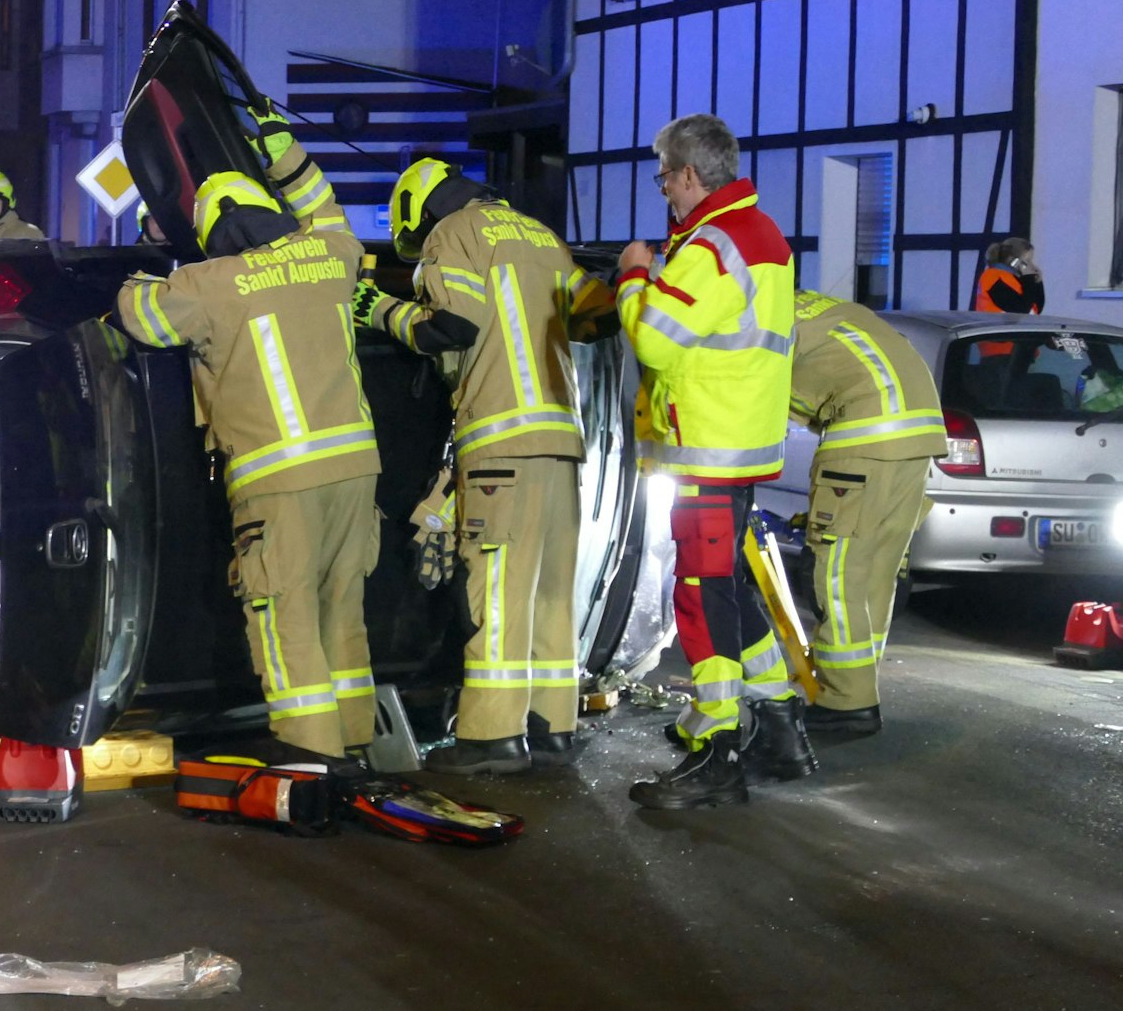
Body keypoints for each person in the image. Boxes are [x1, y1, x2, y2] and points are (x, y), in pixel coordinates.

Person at [112, 105, 378, 758]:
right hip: (355, 475)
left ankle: (312, 763)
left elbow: (139, 315)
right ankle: (356, 749)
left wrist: (134, 274)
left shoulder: (206, 284)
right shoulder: (330, 256)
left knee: (286, 628)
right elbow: (326, 210)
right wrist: (287, 156)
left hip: (277, 483)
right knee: (342, 616)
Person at [358, 157, 617, 776]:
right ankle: (549, 727)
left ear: (421, 211)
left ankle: (492, 737)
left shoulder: (455, 234)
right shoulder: (541, 235)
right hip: (562, 442)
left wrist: (375, 309)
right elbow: (596, 316)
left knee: (495, 593)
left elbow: (450, 326)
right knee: (550, 593)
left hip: (501, 443)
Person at [615, 113, 810, 810]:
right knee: (724, 585)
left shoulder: (714, 244)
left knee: (700, 593)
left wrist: (634, 276)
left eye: (665, 175)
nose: (663, 187)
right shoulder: (758, 236)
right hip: (737, 444)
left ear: (690, 175)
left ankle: (717, 753)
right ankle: (779, 722)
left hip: (705, 447)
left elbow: (656, 341)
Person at [786, 290, 944, 734]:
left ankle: (844, 704)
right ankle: (860, 690)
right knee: (875, 571)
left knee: (835, 573)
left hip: (865, 437)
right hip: (917, 438)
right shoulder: (810, 305)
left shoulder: (751, 324)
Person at [974, 237, 1044, 316]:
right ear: (1013, 261)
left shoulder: (1017, 277)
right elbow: (1021, 308)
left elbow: (1036, 307)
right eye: (1027, 261)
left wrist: (1037, 281)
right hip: (996, 326)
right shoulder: (992, 277)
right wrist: (1028, 278)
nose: (1030, 265)